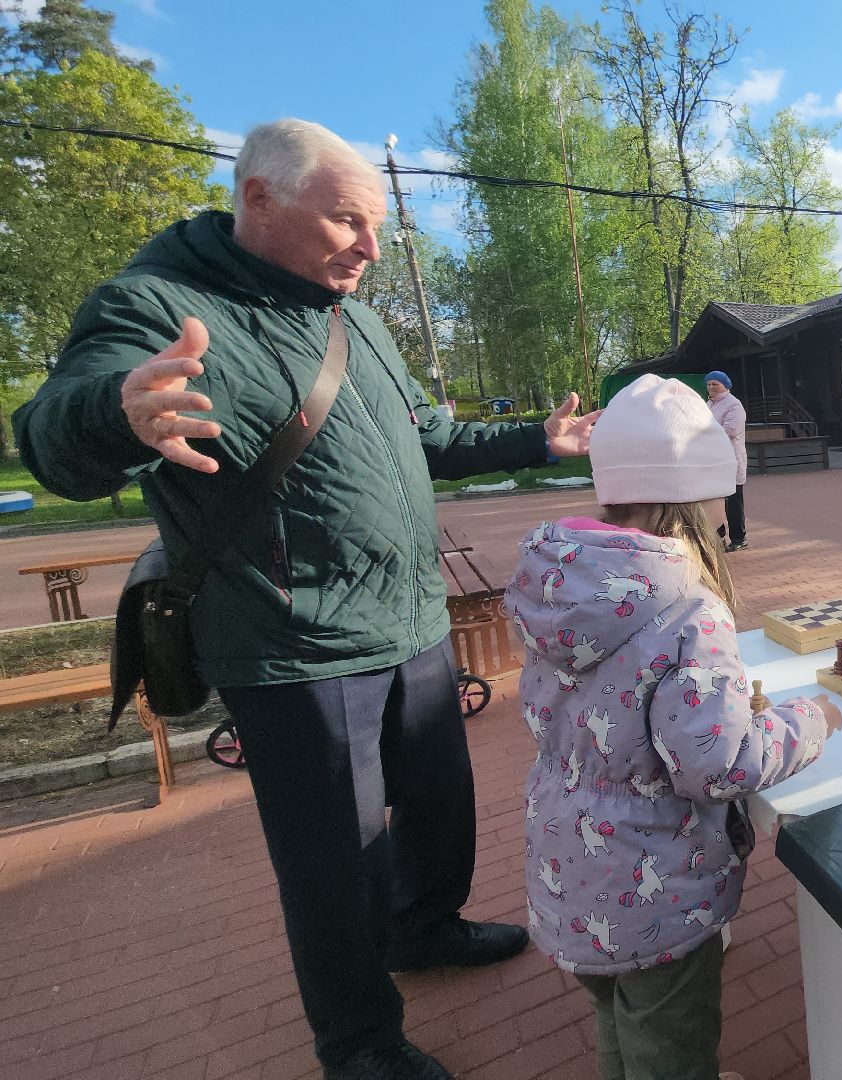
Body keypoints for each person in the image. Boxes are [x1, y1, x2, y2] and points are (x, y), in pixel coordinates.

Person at [11, 119, 601, 1080]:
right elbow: (49, 436)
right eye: (348, 223)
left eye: (375, 228)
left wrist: (538, 439)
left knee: (441, 806)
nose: (371, 248)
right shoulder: (157, 302)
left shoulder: (351, 311)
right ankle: (359, 1040)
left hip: (408, 621)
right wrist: (116, 410)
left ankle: (424, 929)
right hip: (295, 647)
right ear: (260, 201)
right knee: (338, 863)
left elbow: (427, 437)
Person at [511, 373, 841, 1080]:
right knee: (672, 1043)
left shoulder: (557, 583)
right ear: (700, 498)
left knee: (616, 1016)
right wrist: (811, 719)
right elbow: (718, 764)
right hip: (658, 888)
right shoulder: (690, 609)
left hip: (569, 869)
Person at [705, 371, 748, 551]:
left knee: (733, 501)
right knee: (714, 500)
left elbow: (731, 430)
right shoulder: (708, 404)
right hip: (713, 459)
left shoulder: (734, 405)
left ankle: (739, 538)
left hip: (731, 459)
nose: (711, 387)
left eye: (715, 384)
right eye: (708, 384)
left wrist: (704, 431)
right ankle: (719, 536)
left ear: (725, 386)